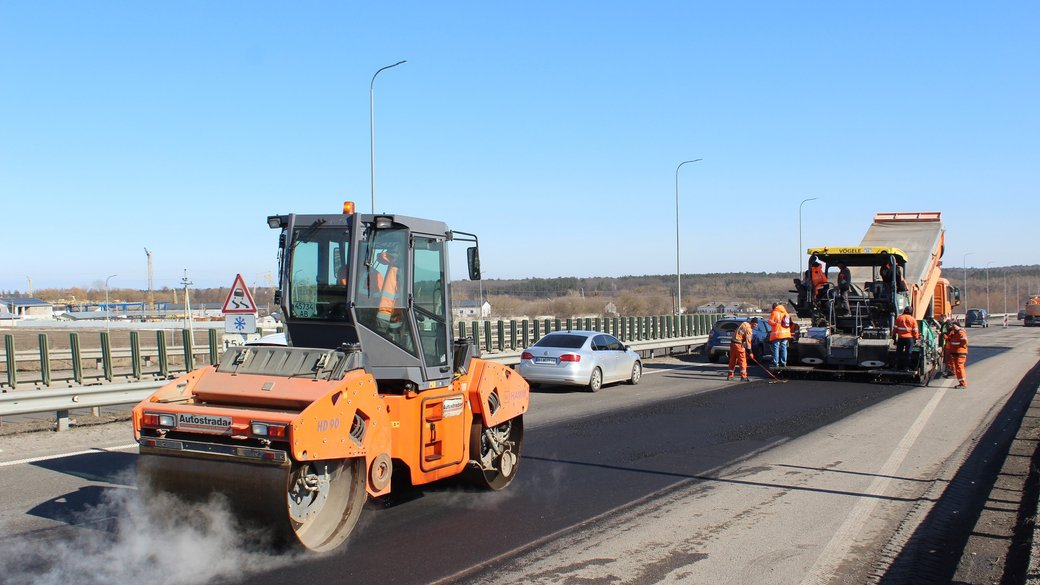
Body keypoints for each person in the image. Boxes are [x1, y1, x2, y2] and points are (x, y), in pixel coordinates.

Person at [728, 317, 758, 381]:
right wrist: (750, 352)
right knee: (742, 360)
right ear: (752, 323)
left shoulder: (744, 323)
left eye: (756, 325)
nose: (755, 326)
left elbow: (740, 333)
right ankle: (743, 377)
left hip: (733, 343)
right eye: (755, 324)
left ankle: (730, 375)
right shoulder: (749, 329)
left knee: (733, 359)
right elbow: (748, 342)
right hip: (738, 344)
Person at [893, 306, 919, 370]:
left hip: (900, 338)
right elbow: (915, 330)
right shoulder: (913, 319)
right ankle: (906, 367)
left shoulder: (899, 318)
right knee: (908, 353)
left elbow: (895, 329)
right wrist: (916, 338)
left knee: (898, 353)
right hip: (909, 339)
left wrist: (894, 336)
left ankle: (896, 366)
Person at [945, 320, 969, 388]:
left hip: (960, 353)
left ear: (957, 326)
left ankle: (963, 383)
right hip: (956, 353)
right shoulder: (955, 333)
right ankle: (961, 383)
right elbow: (950, 340)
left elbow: (964, 342)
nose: (952, 327)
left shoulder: (961, 333)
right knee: (958, 368)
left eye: (954, 326)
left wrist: (959, 348)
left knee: (959, 368)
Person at [768, 302, 792, 367]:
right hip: (786, 333)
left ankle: (775, 362)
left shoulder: (774, 313)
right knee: (784, 347)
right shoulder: (785, 313)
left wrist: (775, 323)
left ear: (774, 307)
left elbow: (770, 322)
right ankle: (783, 362)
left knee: (776, 347)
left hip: (777, 333)